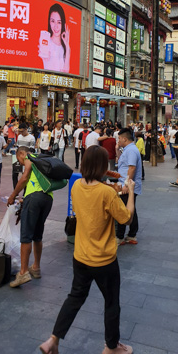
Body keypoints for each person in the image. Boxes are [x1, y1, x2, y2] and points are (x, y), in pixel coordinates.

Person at [39, 145, 135, 354]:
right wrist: (131, 192)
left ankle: (53, 339)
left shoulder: (77, 186)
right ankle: (111, 347)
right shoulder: (106, 193)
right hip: (103, 259)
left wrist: (109, 181)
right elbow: (126, 218)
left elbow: (95, 190)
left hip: (81, 256)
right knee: (111, 302)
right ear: (102, 166)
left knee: (75, 297)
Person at [7, 146, 54, 288]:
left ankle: (23, 273)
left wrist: (13, 195)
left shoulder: (29, 159)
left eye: (19, 159)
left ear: (22, 153)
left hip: (34, 199)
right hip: (47, 198)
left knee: (26, 236)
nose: (20, 162)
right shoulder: (40, 160)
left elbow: (24, 177)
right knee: (37, 235)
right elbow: (36, 182)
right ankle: (36, 268)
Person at [116, 128, 142, 246]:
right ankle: (132, 234)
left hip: (128, 185)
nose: (118, 140)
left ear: (124, 138)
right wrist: (117, 150)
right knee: (131, 210)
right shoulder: (128, 149)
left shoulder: (131, 150)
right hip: (126, 184)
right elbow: (123, 162)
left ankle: (120, 236)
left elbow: (132, 168)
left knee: (123, 210)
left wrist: (127, 185)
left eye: (119, 138)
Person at [38, 3, 70, 73]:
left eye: (59, 22)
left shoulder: (64, 46)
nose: (56, 26)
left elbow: (66, 71)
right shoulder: (46, 41)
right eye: (53, 21)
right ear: (49, 22)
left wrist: (67, 46)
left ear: (63, 24)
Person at [12, 123, 35, 189]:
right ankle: (15, 191)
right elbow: (18, 146)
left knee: (25, 175)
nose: (21, 133)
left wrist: (26, 154)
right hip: (18, 157)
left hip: (26, 158)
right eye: (20, 131)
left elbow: (32, 149)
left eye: (22, 131)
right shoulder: (19, 136)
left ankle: (25, 193)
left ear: (26, 129)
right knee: (14, 174)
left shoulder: (31, 138)